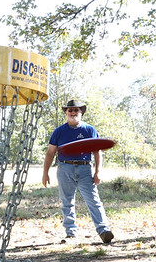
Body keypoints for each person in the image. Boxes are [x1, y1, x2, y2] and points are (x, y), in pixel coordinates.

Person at [42, 100, 114, 244]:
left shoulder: (89, 130)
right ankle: (71, 233)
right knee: (67, 201)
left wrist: (98, 171)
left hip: (84, 168)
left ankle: (104, 230)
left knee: (94, 200)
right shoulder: (59, 131)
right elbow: (50, 153)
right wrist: (45, 173)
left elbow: (97, 152)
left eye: (76, 110)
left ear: (81, 112)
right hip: (64, 168)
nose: (73, 113)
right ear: (66, 113)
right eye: (70, 110)